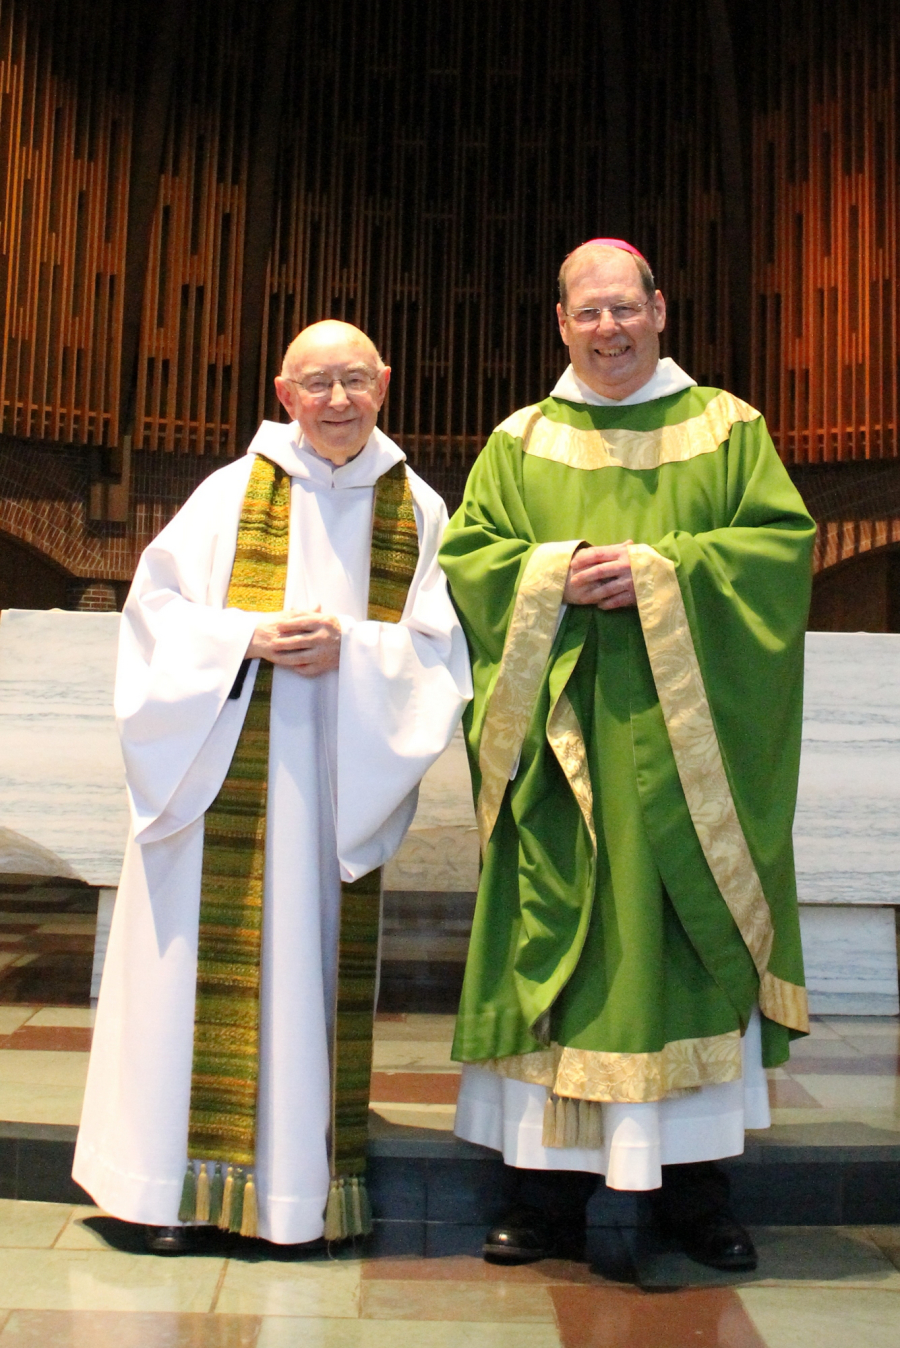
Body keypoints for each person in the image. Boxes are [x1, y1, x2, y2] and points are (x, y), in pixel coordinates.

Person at [439, 240, 815, 1270]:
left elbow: (778, 556)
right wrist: (554, 574)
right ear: (560, 323)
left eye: (626, 308)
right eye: (587, 312)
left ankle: (696, 1191)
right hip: (563, 764)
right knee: (558, 944)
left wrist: (656, 572)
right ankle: (542, 1196)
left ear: (660, 309)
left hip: (690, 770)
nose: (609, 329)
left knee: (682, 947)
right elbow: (471, 559)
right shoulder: (522, 443)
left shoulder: (728, 429)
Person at [74, 320, 471, 1252]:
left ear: (385, 383)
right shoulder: (227, 494)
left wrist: (357, 649)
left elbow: (439, 653)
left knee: (309, 977)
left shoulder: (415, 507)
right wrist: (243, 638)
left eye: (354, 381)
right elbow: (154, 616)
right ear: (284, 393)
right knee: (184, 990)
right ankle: (168, 1195)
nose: (337, 400)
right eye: (316, 383)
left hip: (331, 788)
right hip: (218, 786)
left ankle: (296, 1197)